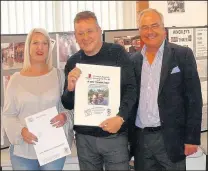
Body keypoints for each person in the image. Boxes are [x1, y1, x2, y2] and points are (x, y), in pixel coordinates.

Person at [61, 11, 137, 170]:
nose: (85, 37)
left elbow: (132, 89)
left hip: (114, 135)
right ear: (75, 36)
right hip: (85, 138)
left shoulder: (117, 53)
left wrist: (121, 118)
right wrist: (70, 87)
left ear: (99, 31)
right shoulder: (73, 61)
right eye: (80, 33)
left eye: (90, 31)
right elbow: (67, 103)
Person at [129, 8, 203, 171]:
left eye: (154, 25)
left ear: (164, 28)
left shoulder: (182, 55)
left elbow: (194, 99)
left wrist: (192, 138)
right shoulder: (133, 60)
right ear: (139, 31)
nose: (150, 31)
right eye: (144, 27)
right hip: (141, 140)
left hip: (171, 138)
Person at [2, 28, 74, 170]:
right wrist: (21, 131)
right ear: (28, 47)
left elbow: (70, 109)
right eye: (35, 43)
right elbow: (8, 115)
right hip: (22, 151)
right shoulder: (15, 80)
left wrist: (65, 117)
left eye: (44, 43)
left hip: (54, 149)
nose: (40, 47)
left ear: (49, 47)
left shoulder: (59, 76)